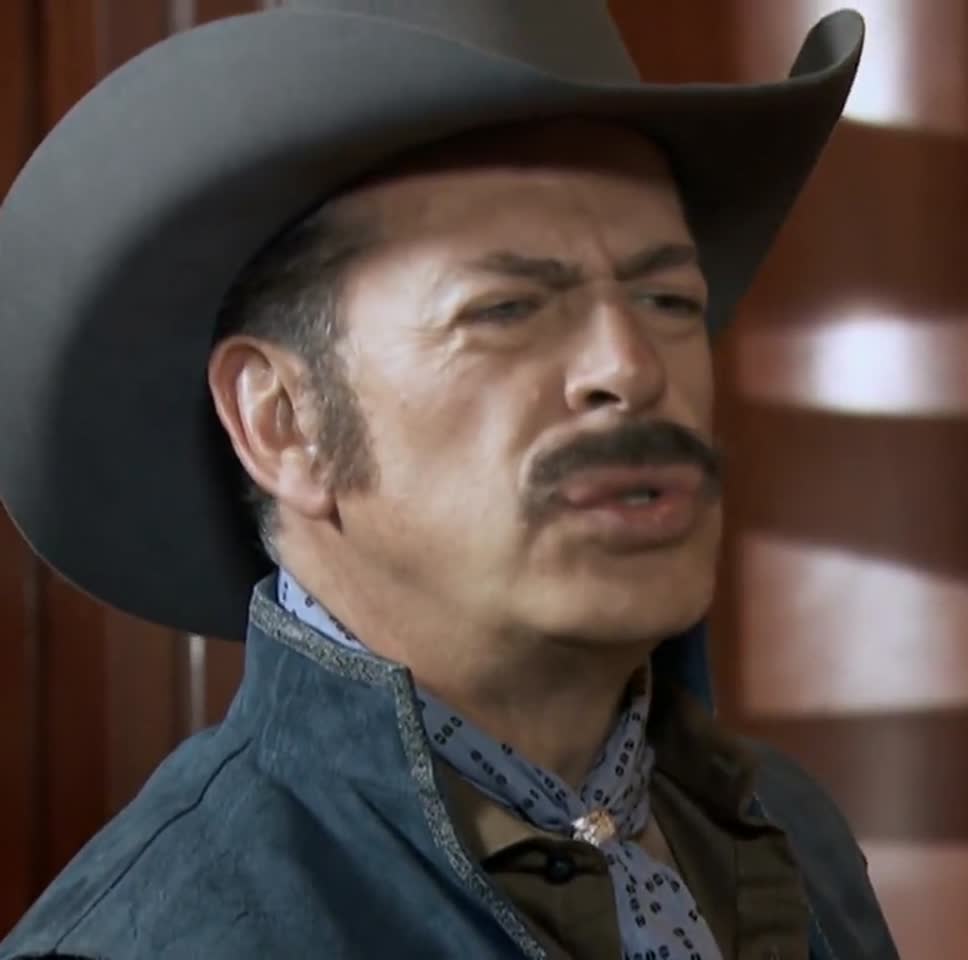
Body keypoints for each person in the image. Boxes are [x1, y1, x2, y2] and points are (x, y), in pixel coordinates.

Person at [0, 2, 898, 958]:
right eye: (507, 308)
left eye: (667, 299)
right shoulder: (169, 937)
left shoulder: (791, 833)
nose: (631, 367)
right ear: (284, 423)